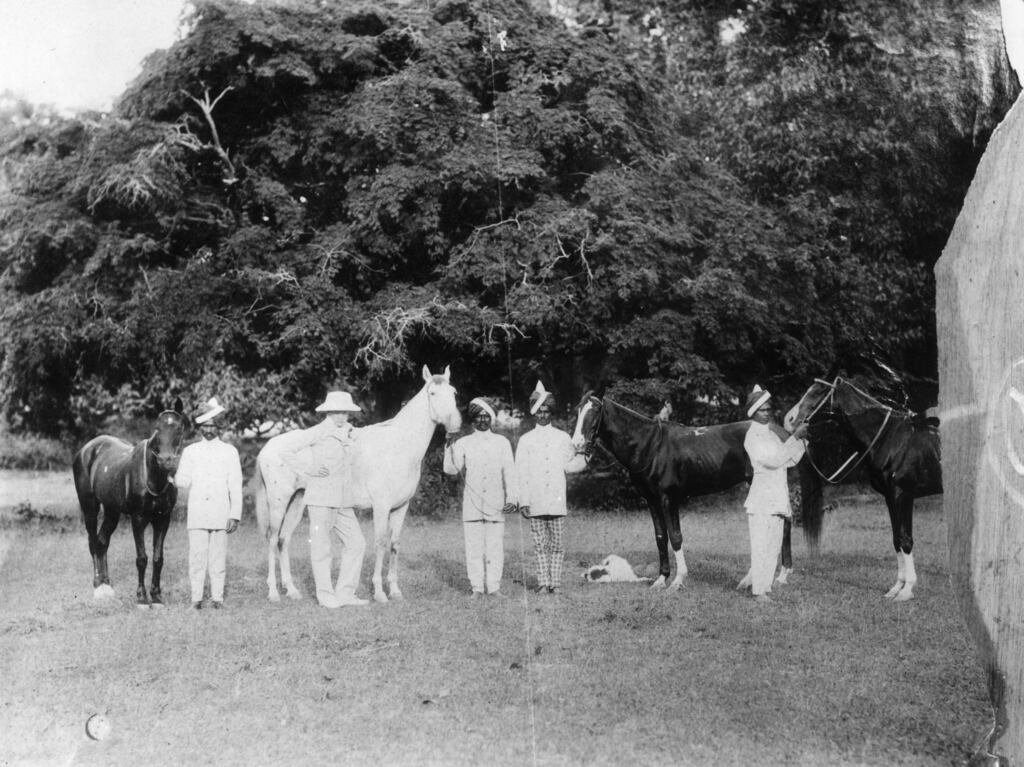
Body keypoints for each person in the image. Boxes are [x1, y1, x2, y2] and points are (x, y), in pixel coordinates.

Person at [282, 390, 368, 608]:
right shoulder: (318, 432)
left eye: (345, 412)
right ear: (328, 412)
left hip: (343, 500)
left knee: (357, 543)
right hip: (320, 498)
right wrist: (308, 468)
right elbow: (286, 450)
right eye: (336, 412)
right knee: (322, 548)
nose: (341, 416)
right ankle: (325, 596)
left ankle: (345, 593)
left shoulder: (350, 432)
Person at [515, 381, 588, 595]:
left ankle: (555, 583)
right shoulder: (526, 440)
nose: (543, 416)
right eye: (539, 412)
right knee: (539, 546)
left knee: (557, 545)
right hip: (535, 501)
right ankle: (542, 583)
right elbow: (521, 473)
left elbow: (570, 466)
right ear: (533, 414)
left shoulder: (563, 438)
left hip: (556, 500)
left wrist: (584, 455)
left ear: (551, 413)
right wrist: (524, 501)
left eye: (546, 411)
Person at [443, 397, 518, 598]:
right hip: (473, 505)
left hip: (496, 504)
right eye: (479, 417)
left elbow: (510, 472)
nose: (483, 420)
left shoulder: (502, 442)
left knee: (495, 548)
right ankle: (476, 587)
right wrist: (449, 445)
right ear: (473, 419)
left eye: (486, 416)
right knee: (474, 548)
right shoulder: (463, 442)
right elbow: (451, 469)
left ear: (491, 419)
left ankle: (494, 587)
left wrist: (512, 499)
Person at [741, 385, 808, 603]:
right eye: (762, 410)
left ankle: (765, 587)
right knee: (761, 545)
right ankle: (759, 591)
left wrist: (802, 440)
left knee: (772, 546)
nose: (768, 412)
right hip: (762, 500)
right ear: (753, 412)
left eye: (769, 409)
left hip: (777, 497)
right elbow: (773, 460)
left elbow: (789, 460)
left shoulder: (770, 434)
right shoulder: (753, 436)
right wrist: (793, 438)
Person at [175, 397, 243, 610]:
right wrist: (171, 474)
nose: (209, 430)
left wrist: (235, 514)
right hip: (198, 513)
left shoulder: (229, 451)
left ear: (219, 427)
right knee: (197, 556)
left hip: (221, 512)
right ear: (199, 428)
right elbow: (183, 480)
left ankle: (217, 598)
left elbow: (235, 485)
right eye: (205, 426)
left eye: (213, 426)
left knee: (218, 556)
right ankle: (196, 599)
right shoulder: (190, 451)